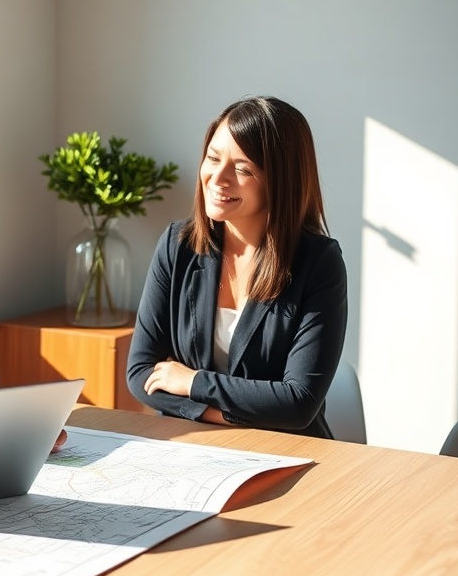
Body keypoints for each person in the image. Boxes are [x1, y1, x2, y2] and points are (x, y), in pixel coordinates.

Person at [126, 96, 347, 438]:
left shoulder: (319, 263)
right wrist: (228, 415)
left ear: (280, 181)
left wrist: (193, 382)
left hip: (289, 451)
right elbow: (141, 374)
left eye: (243, 169)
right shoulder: (178, 244)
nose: (218, 178)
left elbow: (299, 402)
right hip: (191, 446)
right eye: (213, 158)